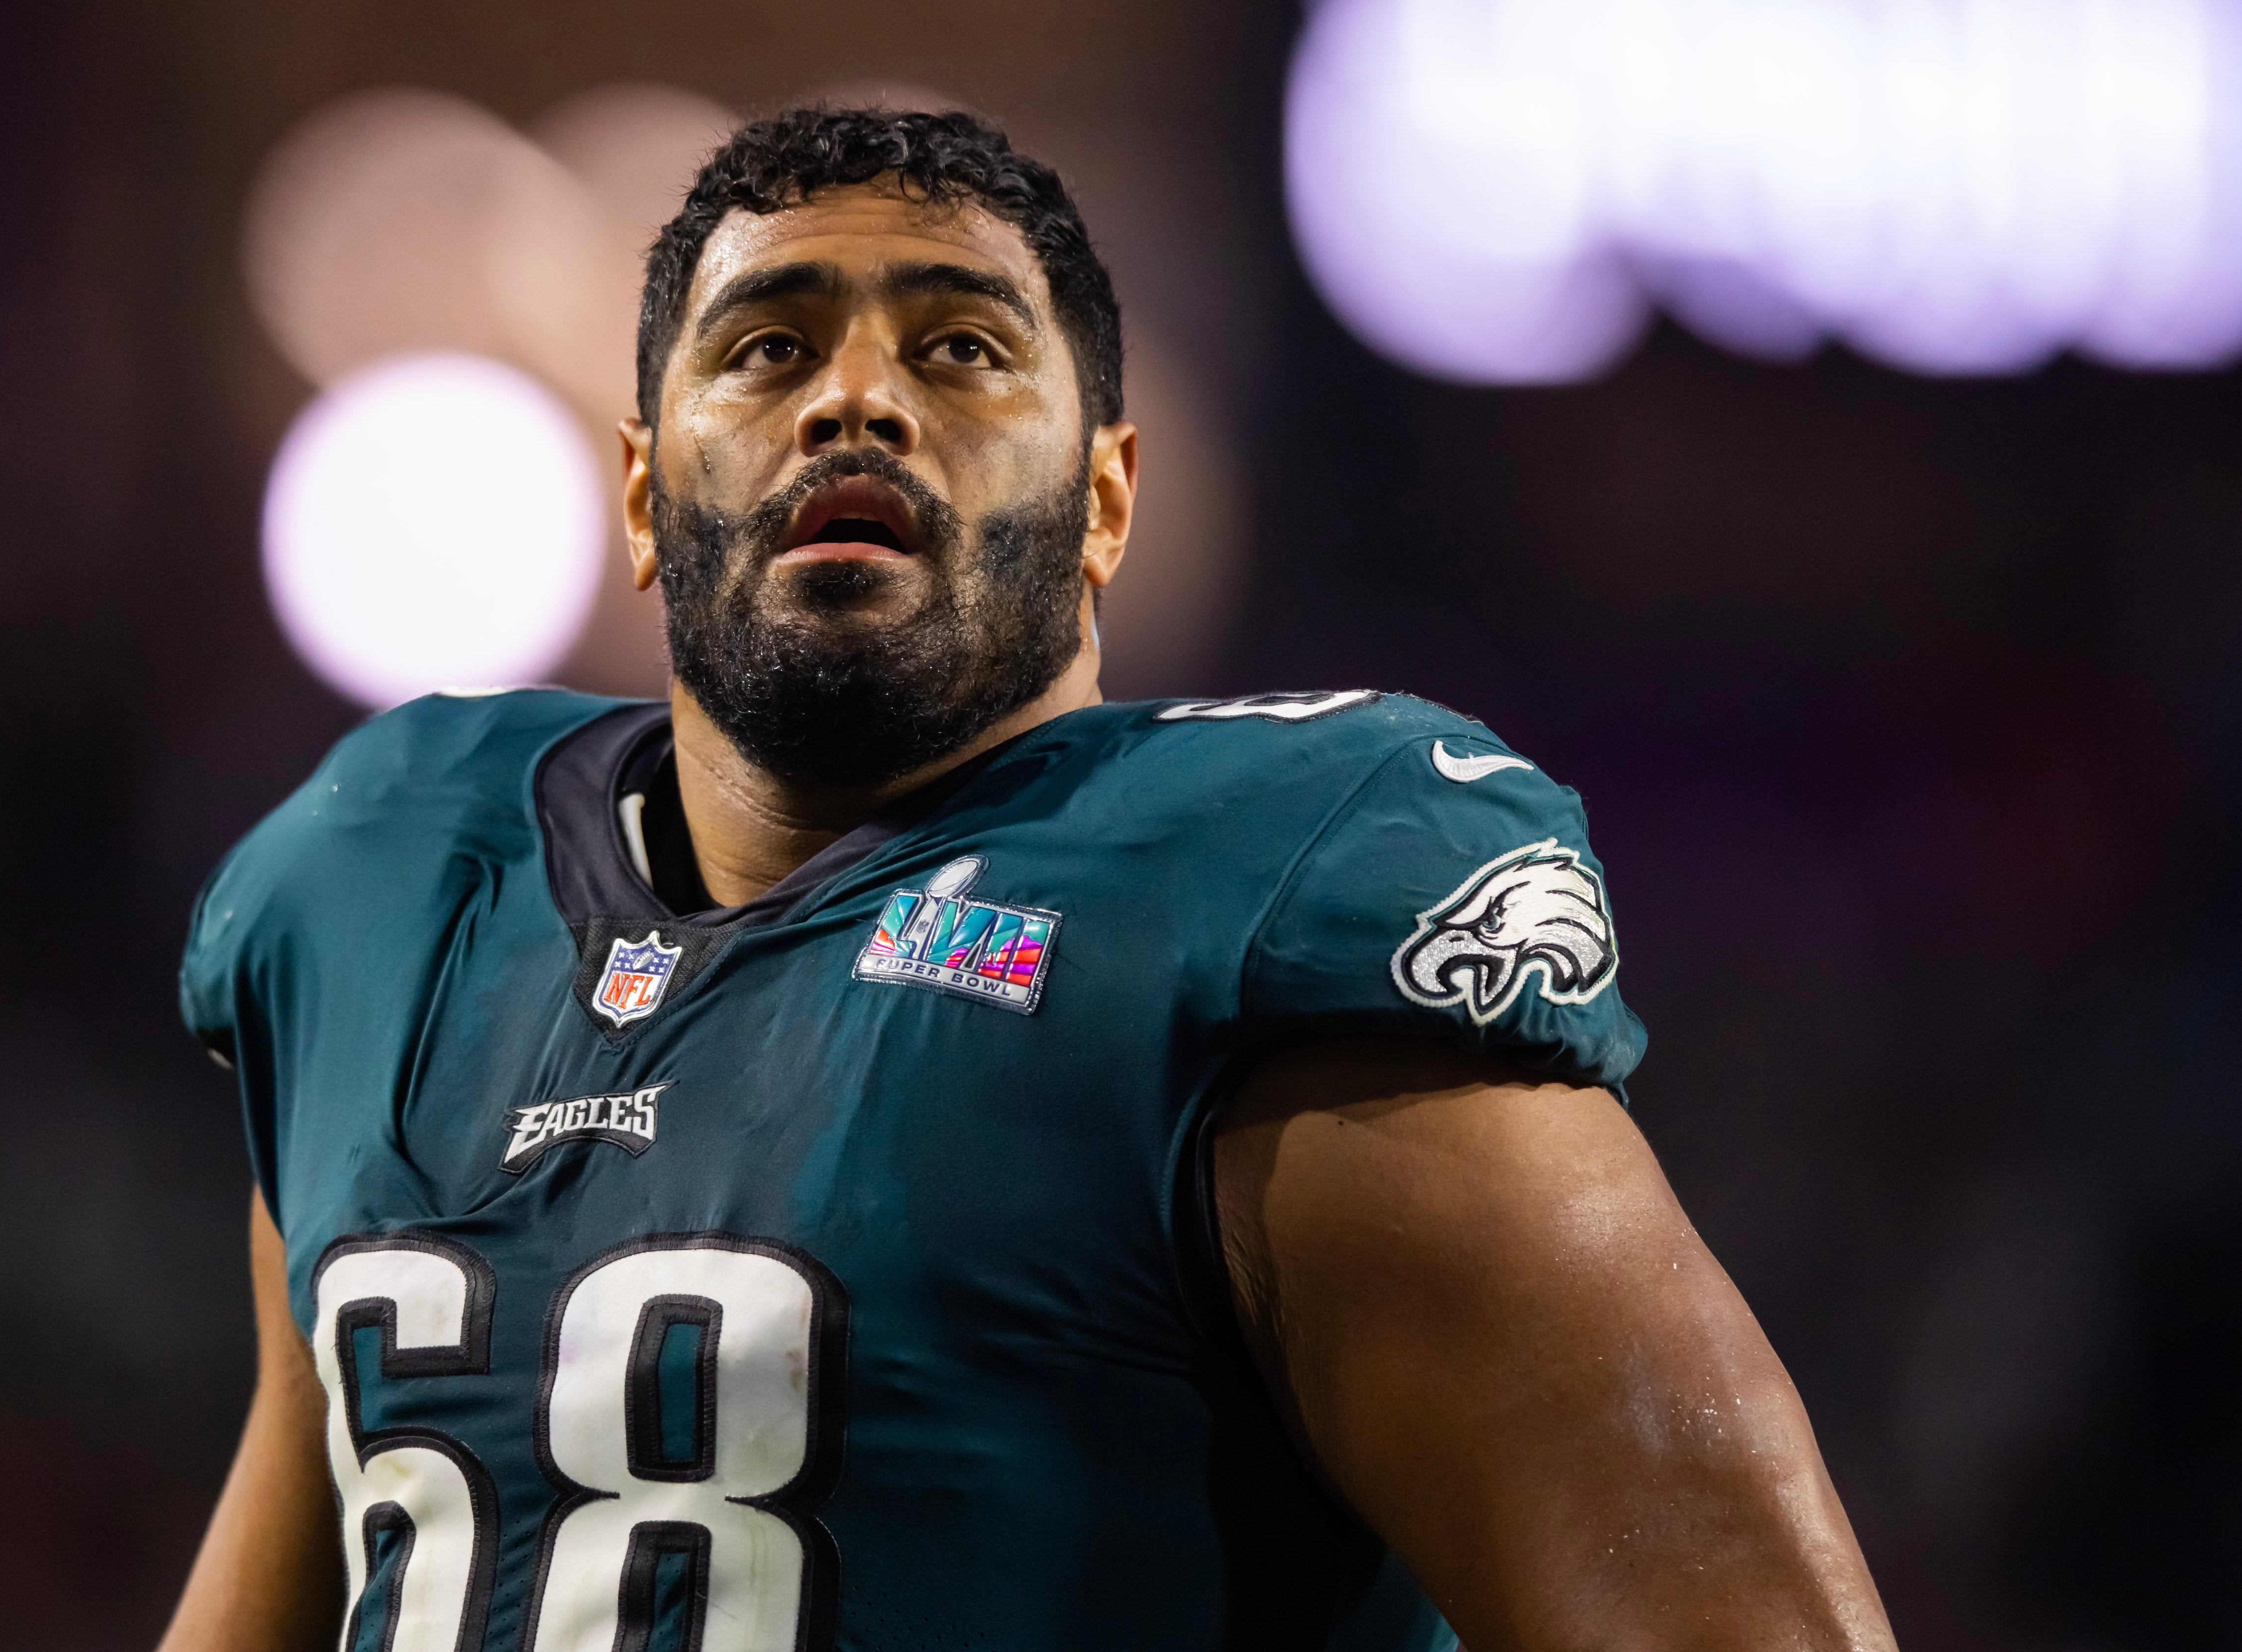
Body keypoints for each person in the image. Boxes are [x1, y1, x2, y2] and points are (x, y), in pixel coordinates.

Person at [160, 107, 1894, 1652]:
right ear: (639, 488)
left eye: (964, 346)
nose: (854, 396)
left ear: (1106, 502)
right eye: (763, 348)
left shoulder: (1260, 904)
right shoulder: (381, 892)